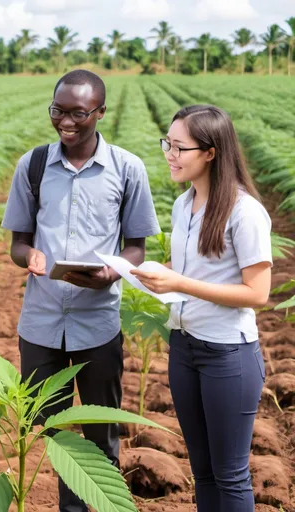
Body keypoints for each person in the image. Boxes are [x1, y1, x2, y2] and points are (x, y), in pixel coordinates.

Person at [2, 69, 160, 511]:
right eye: (58, 111)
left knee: (100, 436)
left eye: (78, 113)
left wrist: (112, 273)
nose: (65, 122)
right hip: (41, 323)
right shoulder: (33, 165)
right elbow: (18, 242)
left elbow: (135, 248)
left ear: (100, 113)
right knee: (51, 434)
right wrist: (28, 258)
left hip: (98, 325)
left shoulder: (127, 169)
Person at [131, 104, 271, 512]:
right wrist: (154, 274)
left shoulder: (245, 212)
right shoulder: (183, 205)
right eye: (167, 145)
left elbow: (257, 293)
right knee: (203, 471)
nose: (170, 155)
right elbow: (195, 271)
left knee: (230, 475)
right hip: (185, 347)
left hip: (228, 354)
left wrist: (178, 282)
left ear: (210, 152)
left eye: (179, 147)